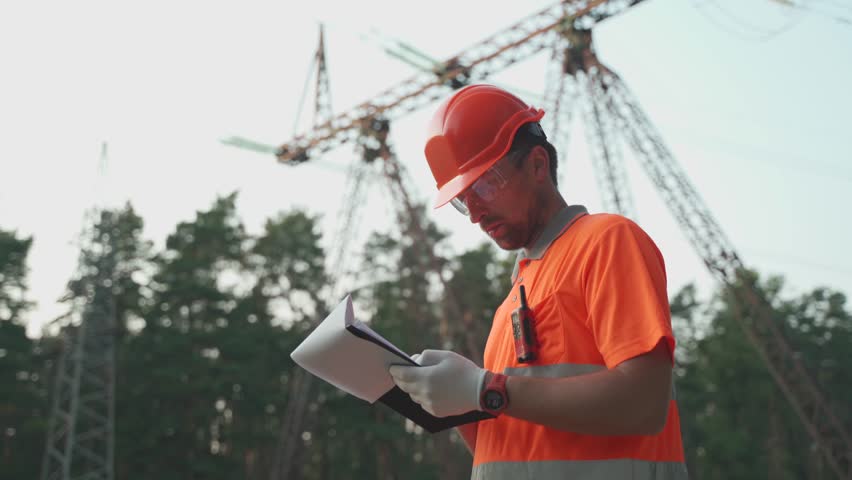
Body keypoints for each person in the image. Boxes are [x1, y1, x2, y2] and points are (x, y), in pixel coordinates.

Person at [388, 84, 688, 479]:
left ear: (537, 165)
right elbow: (511, 446)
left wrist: (486, 389)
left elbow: (643, 403)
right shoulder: (512, 300)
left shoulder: (606, 241)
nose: (476, 213)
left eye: (484, 185)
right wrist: (456, 404)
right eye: (464, 200)